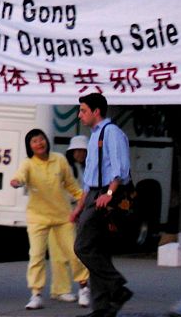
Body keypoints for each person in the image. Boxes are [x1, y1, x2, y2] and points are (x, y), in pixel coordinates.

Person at [10, 129, 90, 310]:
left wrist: (81, 200)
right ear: (30, 147)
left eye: (41, 140)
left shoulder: (59, 160)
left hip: (63, 216)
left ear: (46, 141)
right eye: (34, 141)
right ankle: (36, 294)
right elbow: (20, 176)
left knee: (74, 252)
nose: (39, 144)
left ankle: (84, 289)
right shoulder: (28, 164)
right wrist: (17, 181)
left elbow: (71, 184)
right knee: (36, 256)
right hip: (37, 217)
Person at [71, 93, 133, 317]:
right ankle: (102, 307)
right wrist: (80, 206)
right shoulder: (94, 135)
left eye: (83, 110)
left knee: (83, 247)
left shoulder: (112, 133)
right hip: (93, 195)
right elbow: (89, 176)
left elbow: (120, 167)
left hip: (105, 196)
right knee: (99, 250)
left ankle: (117, 286)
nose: (79, 115)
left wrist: (108, 193)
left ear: (97, 111)